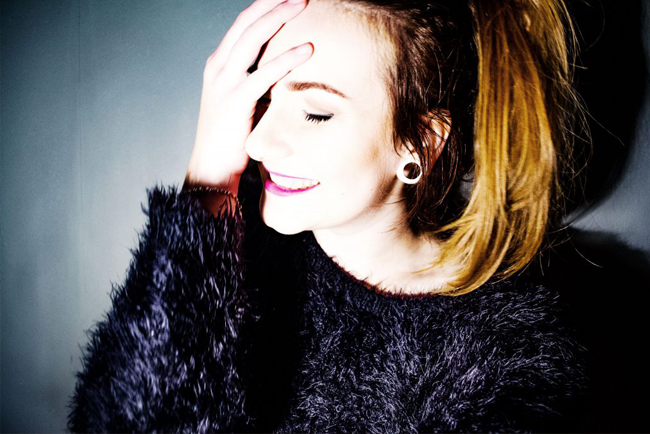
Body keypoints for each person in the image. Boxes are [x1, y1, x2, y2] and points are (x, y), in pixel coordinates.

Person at [68, 0, 588, 432]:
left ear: (420, 142)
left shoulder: (505, 360)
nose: (257, 142)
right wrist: (207, 181)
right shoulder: (230, 241)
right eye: (264, 99)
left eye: (316, 113)